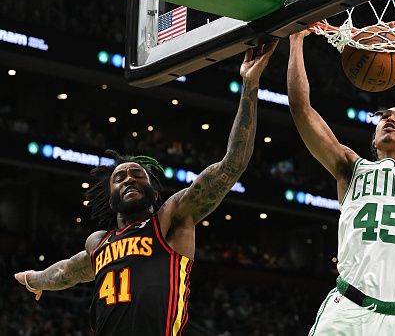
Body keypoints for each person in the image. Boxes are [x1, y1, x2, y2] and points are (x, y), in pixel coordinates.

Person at [14, 42, 278, 335]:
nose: (128, 179)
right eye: (120, 178)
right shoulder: (99, 244)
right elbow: (65, 272)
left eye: (137, 175)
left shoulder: (171, 219)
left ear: (154, 191)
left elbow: (232, 166)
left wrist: (249, 86)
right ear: (110, 197)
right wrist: (34, 279)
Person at [287, 30, 395, 335]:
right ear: (374, 139)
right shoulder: (350, 168)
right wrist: (296, 42)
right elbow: (301, 108)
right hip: (347, 309)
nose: (390, 119)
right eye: (384, 116)